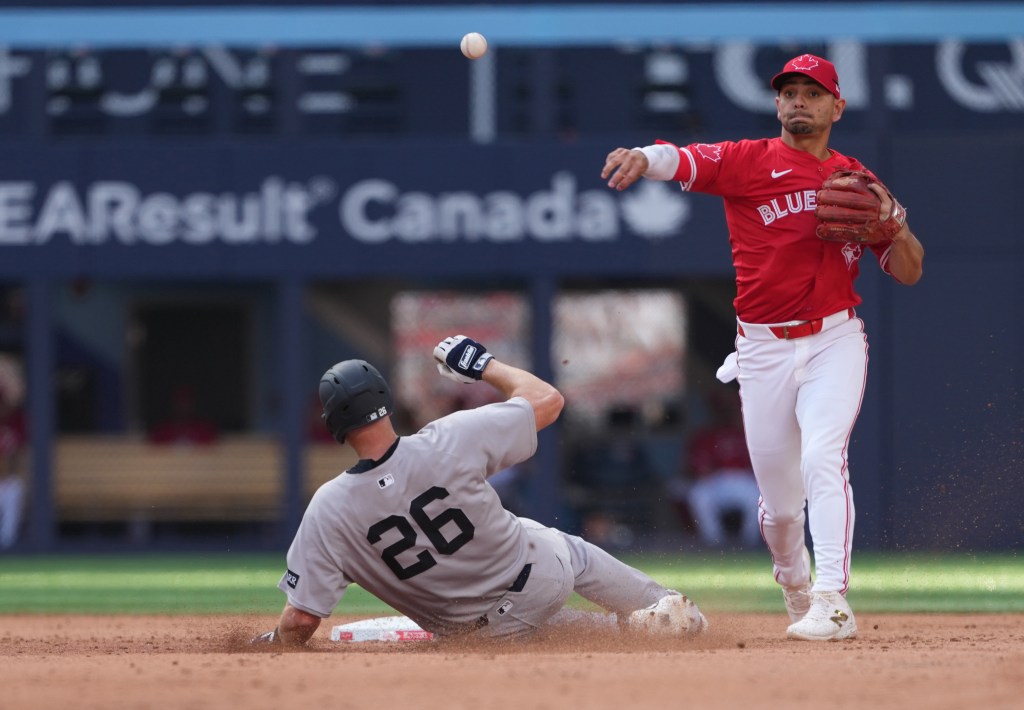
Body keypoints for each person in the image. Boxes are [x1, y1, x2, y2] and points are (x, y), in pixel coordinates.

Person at [601, 53, 924, 641]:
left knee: (823, 457)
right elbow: (681, 159)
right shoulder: (748, 160)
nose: (799, 101)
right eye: (789, 92)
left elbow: (909, 270)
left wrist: (896, 225)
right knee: (778, 509)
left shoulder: (856, 180)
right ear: (777, 103)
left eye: (813, 92)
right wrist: (644, 157)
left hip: (834, 338)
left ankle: (832, 599)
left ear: (836, 107)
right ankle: (795, 585)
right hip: (762, 349)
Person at [253, 334, 707, 646]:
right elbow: (548, 401)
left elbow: (302, 619)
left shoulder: (328, 509)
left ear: (333, 426)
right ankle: (661, 607)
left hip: (480, 632)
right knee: (566, 549)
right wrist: (484, 365)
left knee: (531, 628)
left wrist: (276, 642)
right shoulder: (448, 438)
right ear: (387, 403)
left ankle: (631, 631)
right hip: (540, 574)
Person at [679, 387, 760, 549]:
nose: (725, 414)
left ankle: (750, 543)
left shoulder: (747, 433)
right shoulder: (705, 435)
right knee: (698, 495)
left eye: (728, 410)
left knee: (759, 497)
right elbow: (697, 468)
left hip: (743, 480)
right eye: (721, 410)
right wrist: (704, 472)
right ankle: (714, 543)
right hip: (717, 480)